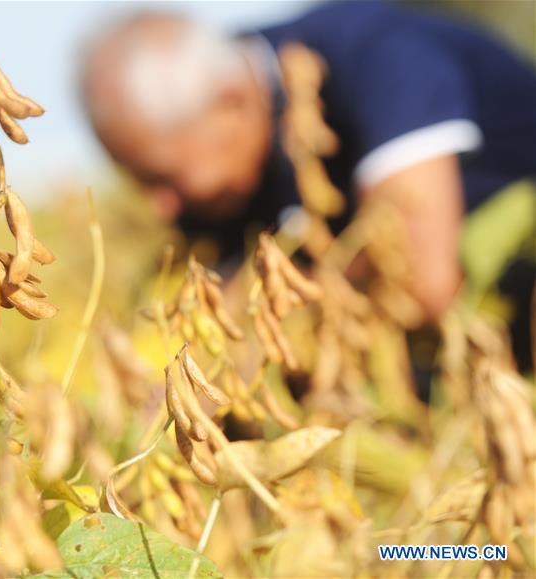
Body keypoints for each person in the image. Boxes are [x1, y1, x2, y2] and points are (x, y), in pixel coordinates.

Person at [81, 1, 536, 370]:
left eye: (163, 177)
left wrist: (256, 325)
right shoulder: (221, 179)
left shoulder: (377, 56)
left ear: (230, 102)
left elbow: (419, 281)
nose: (160, 207)